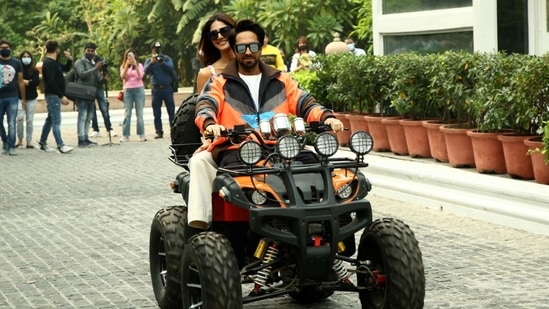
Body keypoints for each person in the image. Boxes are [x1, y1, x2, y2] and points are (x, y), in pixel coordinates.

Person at [187, 19, 344, 232]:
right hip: (238, 150)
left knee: (318, 169)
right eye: (241, 48)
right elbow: (206, 104)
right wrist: (210, 123)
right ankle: (211, 231)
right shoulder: (219, 82)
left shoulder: (282, 79)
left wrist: (327, 117)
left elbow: (305, 102)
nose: (248, 52)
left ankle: (326, 226)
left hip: (283, 148)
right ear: (234, 50)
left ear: (261, 47)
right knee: (240, 186)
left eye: (253, 46)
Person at [38, 40, 74, 154]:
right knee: (56, 120)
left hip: (55, 95)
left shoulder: (54, 63)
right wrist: (61, 95)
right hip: (53, 95)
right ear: (56, 49)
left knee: (50, 119)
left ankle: (42, 141)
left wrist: (69, 59)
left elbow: (65, 69)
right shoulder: (48, 63)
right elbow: (50, 82)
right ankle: (60, 145)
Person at [195, 13, 236, 93]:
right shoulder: (206, 74)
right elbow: (203, 104)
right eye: (213, 34)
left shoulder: (249, 65)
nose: (220, 37)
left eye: (224, 31)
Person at [74, 42, 103, 148]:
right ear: (84, 51)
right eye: (88, 50)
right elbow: (82, 75)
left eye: (92, 51)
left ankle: (85, 137)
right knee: (82, 115)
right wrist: (95, 68)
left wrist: (103, 75)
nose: (90, 52)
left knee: (89, 116)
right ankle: (81, 138)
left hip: (91, 92)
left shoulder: (93, 63)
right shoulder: (80, 62)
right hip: (82, 92)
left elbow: (98, 79)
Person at [144, 41, 176, 139]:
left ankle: (174, 130)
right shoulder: (149, 60)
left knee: (171, 111)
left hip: (167, 88)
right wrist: (152, 63)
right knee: (156, 112)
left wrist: (162, 63)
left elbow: (171, 68)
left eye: (158, 48)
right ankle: (159, 131)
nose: (157, 51)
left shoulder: (166, 59)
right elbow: (144, 71)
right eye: (155, 49)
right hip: (156, 89)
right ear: (152, 49)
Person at [0, 39, 26, 156]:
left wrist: (23, 98)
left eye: (7, 47)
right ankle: (4, 140)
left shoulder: (16, 63)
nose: (5, 49)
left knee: (11, 122)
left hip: (12, 96)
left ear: (11, 49)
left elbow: (20, 81)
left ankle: (11, 145)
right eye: (2, 47)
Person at [119, 48, 146, 142]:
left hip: (139, 89)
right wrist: (127, 65)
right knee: (127, 113)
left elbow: (140, 76)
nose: (130, 57)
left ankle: (141, 134)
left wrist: (135, 65)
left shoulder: (140, 65)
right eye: (128, 56)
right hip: (128, 90)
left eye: (131, 55)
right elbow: (123, 76)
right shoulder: (123, 66)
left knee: (139, 113)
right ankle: (125, 134)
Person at [15, 50, 40, 149]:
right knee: (19, 119)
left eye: (27, 56)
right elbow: (17, 82)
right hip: (20, 98)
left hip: (32, 97)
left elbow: (36, 82)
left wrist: (27, 82)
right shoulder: (18, 70)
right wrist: (26, 82)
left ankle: (29, 141)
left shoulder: (34, 70)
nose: (26, 58)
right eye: (24, 57)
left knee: (30, 120)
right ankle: (20, 139)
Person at [90, 54, 116, 138]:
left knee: (104, 108)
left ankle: (109, 128)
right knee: (92, 110)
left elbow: (106, 70)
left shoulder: (100, 59)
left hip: (99, 87)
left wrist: (105, 76)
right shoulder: (85, 61)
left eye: (92, 51)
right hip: (90, 87)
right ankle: (95, 129)